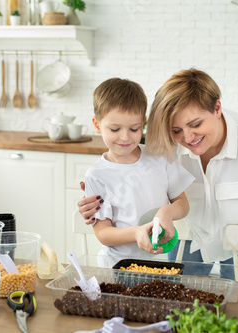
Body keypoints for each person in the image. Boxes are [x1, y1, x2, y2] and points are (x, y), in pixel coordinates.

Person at [78, 68, 238, 279]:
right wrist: (95, 201)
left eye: (195, 125)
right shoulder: (163, 147)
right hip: (181, 251)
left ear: (217, 109)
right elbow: (129, 175)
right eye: (176, 130)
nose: (188, 138)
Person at [83, 78, 195, 267]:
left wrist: (167, 211)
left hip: (158, 264)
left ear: (143, 123)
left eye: (134, 129)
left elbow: (182, 204)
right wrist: (136, 233)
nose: (125, 137)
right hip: (117, 267)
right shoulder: (96, 175)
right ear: (97, 125)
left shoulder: (160, 157)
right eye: (114, 129)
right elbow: (103, 233)